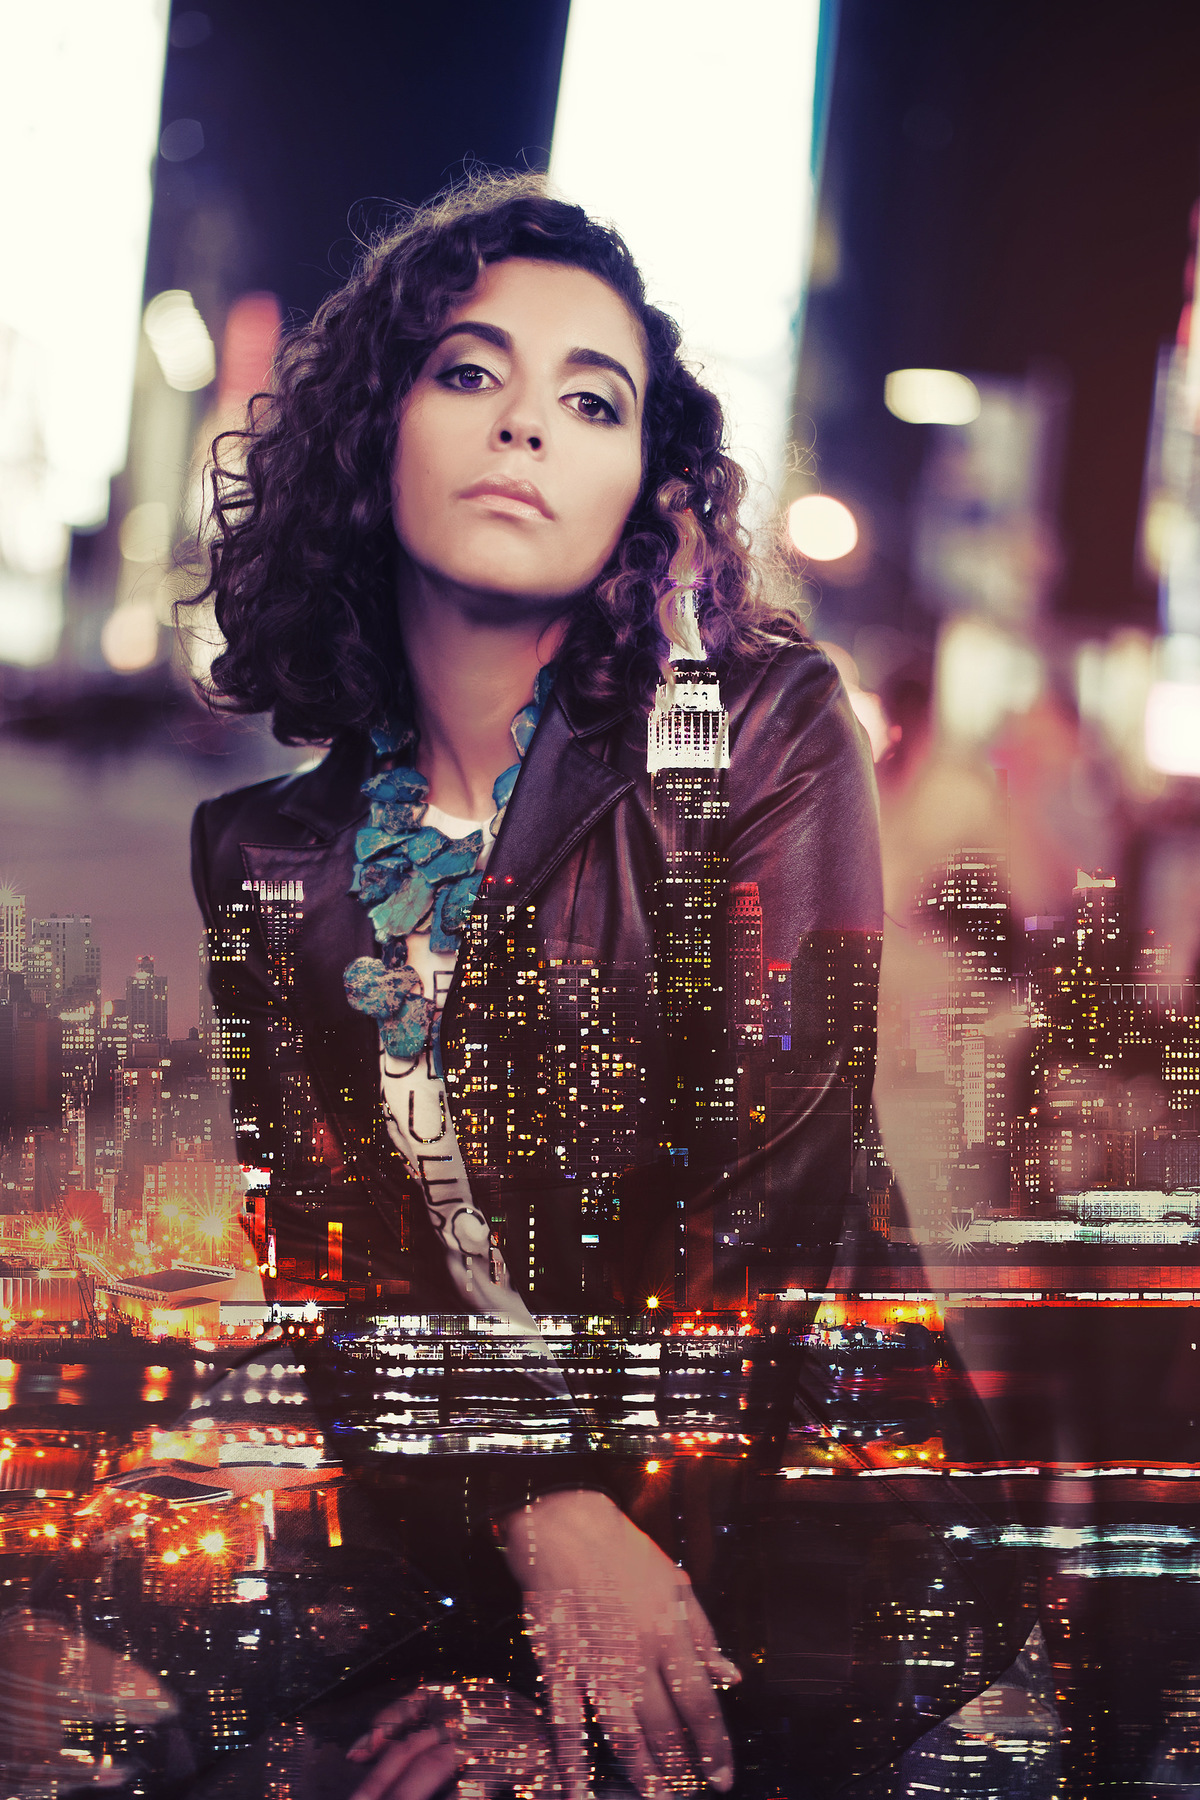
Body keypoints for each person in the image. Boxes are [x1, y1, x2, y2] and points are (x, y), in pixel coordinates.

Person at [183, 174, 1025, 1800]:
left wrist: (591, 1633)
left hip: (795, 1544)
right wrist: (522, 1542)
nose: (527, 429)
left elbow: (763, 1213)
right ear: (379, 434)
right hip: (483, 1542)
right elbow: (342, 1279)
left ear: (642, 482)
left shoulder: (762, 730)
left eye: (592, 399)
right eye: (468, 372)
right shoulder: (262, 856)